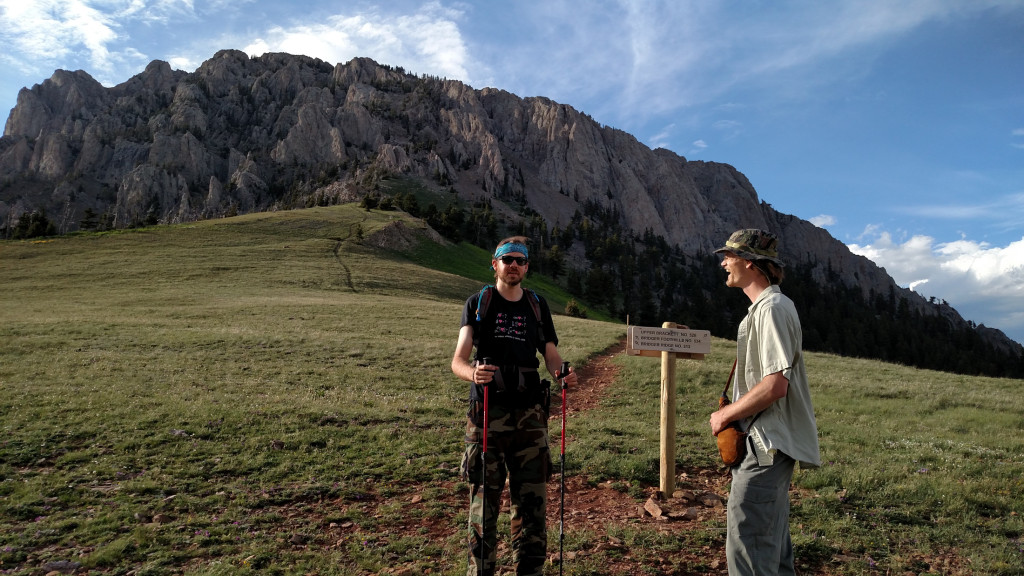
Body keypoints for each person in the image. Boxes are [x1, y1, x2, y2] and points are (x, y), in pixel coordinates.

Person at [451, 236, 577, 576]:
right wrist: (472, 374)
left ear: (527, 267)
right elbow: (458, 360)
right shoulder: (479, 303)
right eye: (507, 260)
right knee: (484, 507)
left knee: (532, 505)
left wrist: (562, 373)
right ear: (495, 264)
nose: (514, 265)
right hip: (487, 415)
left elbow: (550, 355)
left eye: (520, 260)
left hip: (531, 418)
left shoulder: (537, 305)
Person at [709, 229, 821, 576]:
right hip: (767, 443)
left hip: (765, 446)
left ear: (752, 263)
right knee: (771, 545)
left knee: (749, 539)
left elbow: (775, 385)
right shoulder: (766, 307)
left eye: (729, 256)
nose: (724, 262)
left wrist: (725, 414)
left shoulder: (771, 308)